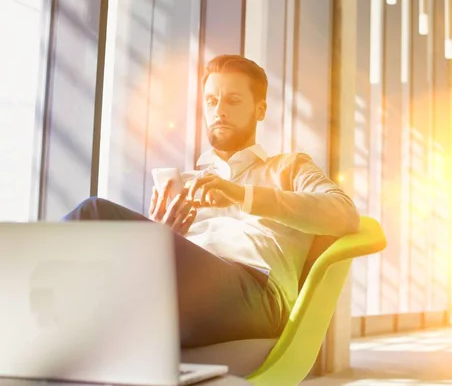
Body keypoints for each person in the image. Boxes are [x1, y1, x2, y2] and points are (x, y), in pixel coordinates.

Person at [63, 54, 360, 349]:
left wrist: (241, 195)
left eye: (232, 101)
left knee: (93, 213)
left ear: (260, 110)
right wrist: (161, 234)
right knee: (99, 269)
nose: (219, 111)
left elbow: (345, 214)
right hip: (189, 292)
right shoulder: (188, 182)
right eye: (211, 101)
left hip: (257, 291)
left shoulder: (289, 167)